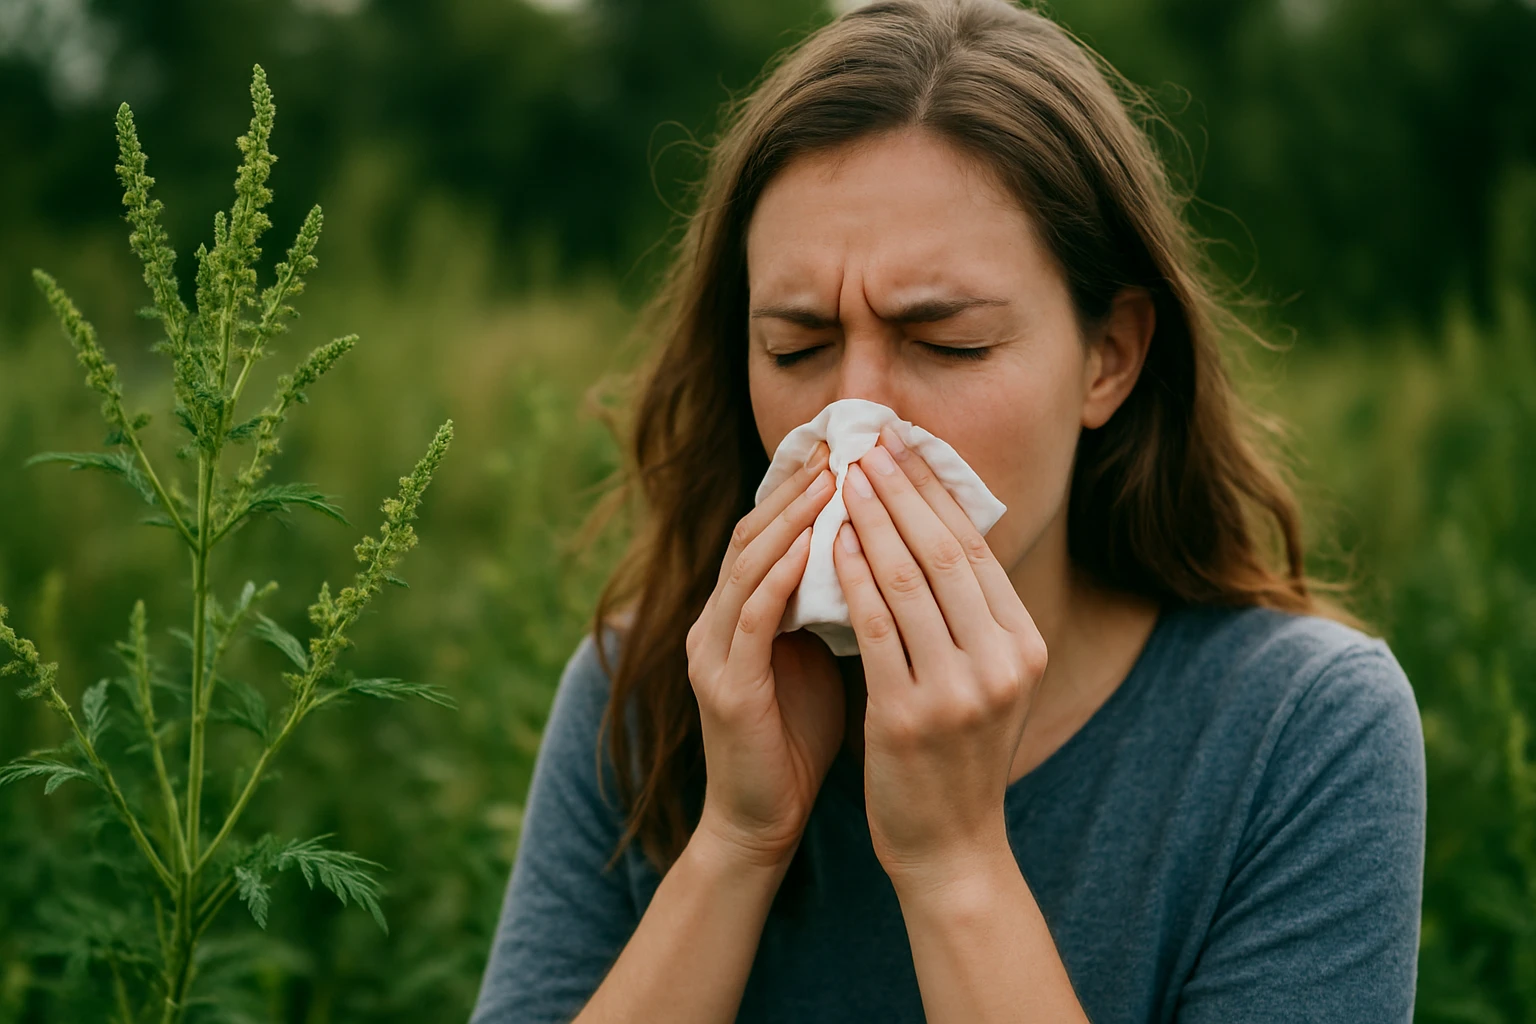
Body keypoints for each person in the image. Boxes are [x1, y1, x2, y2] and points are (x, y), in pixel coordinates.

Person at [469, 0, 1426, 1020]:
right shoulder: (650, 691)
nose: (857, 418)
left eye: (949, 343)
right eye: (796, 347)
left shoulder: (1297, 731)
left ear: (1110, 358)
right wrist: (738, 842)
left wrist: (955, 860)